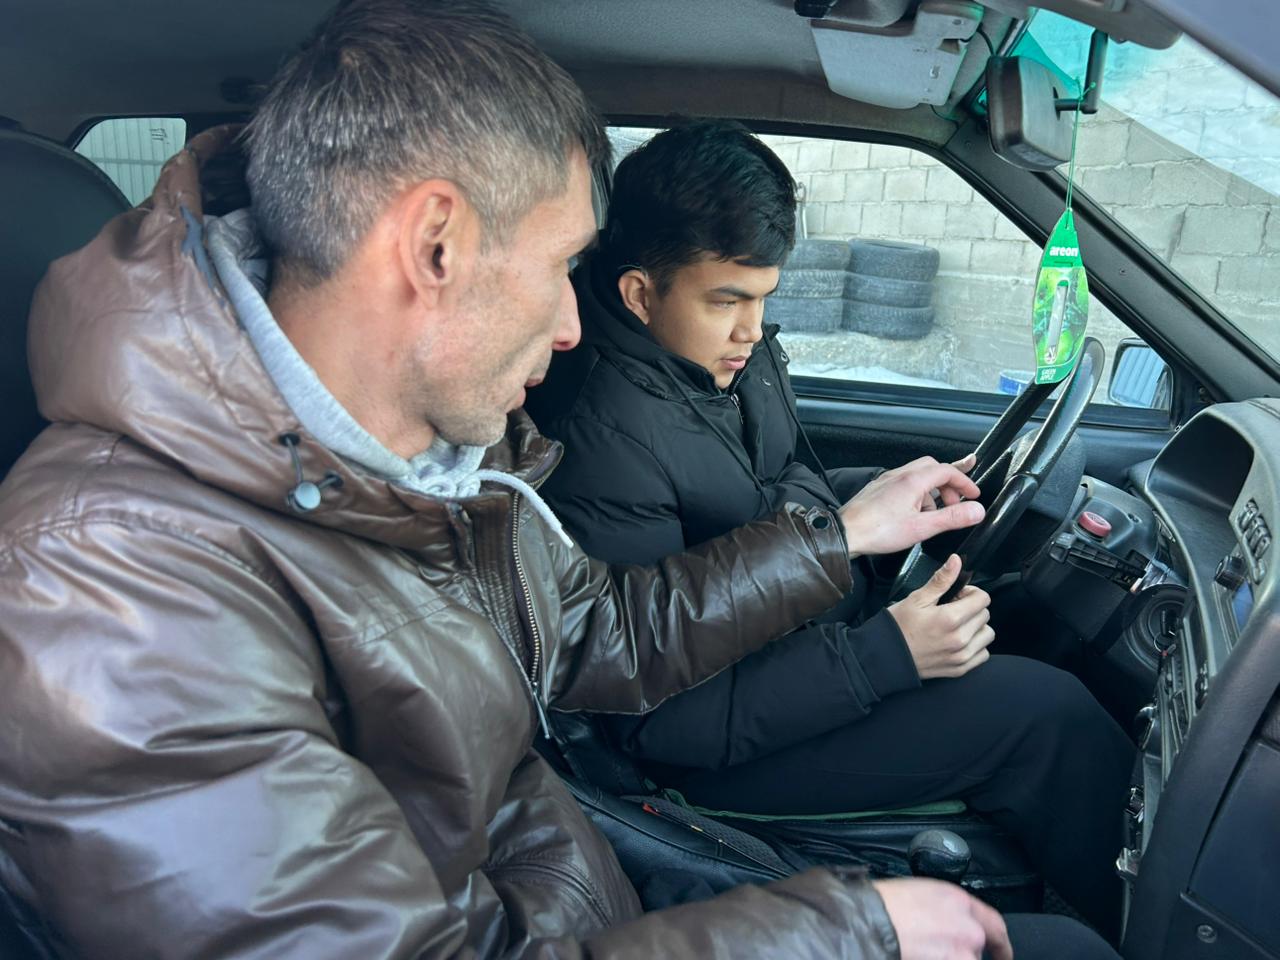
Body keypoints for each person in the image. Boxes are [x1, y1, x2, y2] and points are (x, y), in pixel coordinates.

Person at [0, 2, 1040, 958]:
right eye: (558, 268)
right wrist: (839, 937)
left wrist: (835, 537)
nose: (574, 325)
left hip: (583, 891)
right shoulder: (112, 594)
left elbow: (601, 631)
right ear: (434, 245)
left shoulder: (439, 460)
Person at [528, 120, 1135, 938]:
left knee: (1029, 670)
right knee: (1046, 716)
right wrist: (885, 655)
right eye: (726, 300)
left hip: (806, 655)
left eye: (765, 298)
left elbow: (783, 483)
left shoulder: (723, 359)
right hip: (706, 757)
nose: (752, 329)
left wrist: (876, 504)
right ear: (640, 294)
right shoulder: (601, 440)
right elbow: (664, 719)